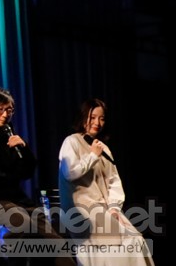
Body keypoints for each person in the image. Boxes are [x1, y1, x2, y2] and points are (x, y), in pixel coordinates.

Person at [0, 87, 74, 266]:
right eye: (0, 109)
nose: (5, 114)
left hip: (15, 200)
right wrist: (10, 175)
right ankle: (13, 258)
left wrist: (24, 149)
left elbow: (27, 172)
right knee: (20, 219)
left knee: (53, 236)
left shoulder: (10, 136)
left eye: (9, 110)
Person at [58, 99, 155, 265]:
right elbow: (69, 173)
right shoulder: (72, 142)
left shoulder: (103, 148)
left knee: (135, 240)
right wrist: (92, 156)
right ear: (83, 117)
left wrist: (114, 207)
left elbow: (113, 181)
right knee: (119, 244)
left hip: (104, 208)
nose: (97, 123)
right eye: (92, 117)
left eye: (101, 118)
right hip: (81, 209)